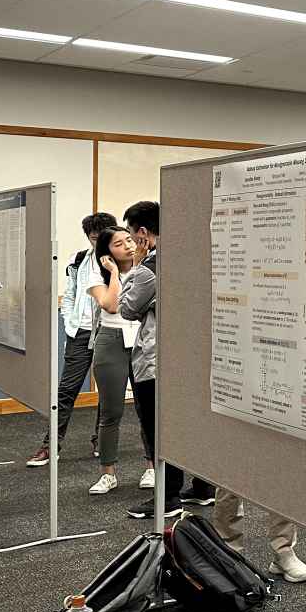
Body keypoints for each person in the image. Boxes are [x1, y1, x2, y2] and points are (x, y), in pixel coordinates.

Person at [27, 212, 115, 467]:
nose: (97, 243)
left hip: (110, 331)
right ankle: (50, 445)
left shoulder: (122, 261)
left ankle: (101, 439)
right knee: (67, 390)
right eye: (94, 238)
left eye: (103, 238)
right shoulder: (79, 260)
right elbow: (70, 294)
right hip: (81, 332)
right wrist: (70, 322)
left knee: (108, 391)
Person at [118, 200, 187, 520]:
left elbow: (127, 309)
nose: (131, 241)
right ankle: (203, 489)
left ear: (144, 233)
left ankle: (169, 497)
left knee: (159, 428)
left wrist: (134, 267)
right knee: (187, 426)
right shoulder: (187, 256)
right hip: (185, 355)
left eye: (131, 234)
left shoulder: (148, 268)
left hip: (155, 358)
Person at [86, 226, 138, 495]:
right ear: (108, 253)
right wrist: (115, 273)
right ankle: (108, 473)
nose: (128, 245)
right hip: (111, 339)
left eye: (129, 239)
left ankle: (152, 468)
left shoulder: (148, 266)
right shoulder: (98, 272)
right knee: (111, 411)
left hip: (144, 340)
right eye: (119, 244)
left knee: (148, 409)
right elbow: (111, 305)